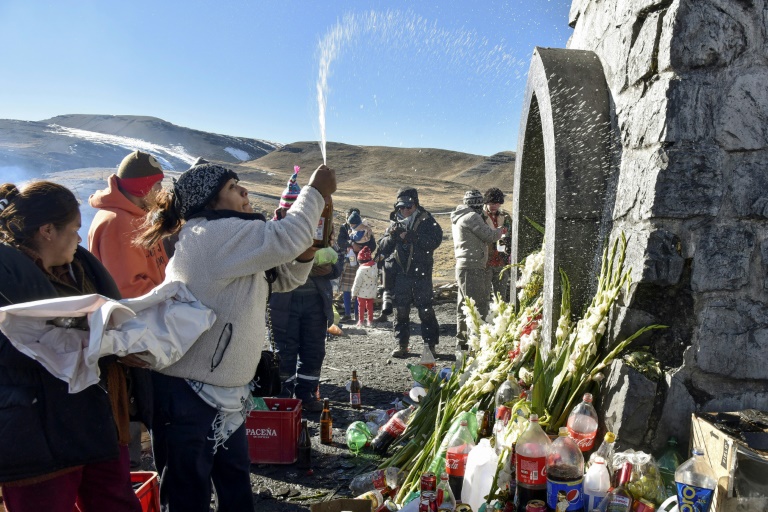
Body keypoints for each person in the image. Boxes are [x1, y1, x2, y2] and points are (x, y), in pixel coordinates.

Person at [136, 161, 335, 512]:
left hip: (220, 394)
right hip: (188, 396)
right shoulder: (212, 235)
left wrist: (304, 253)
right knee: (188, 496)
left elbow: (282, 280)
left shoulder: (228, 235)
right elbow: (287, 236)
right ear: (211, 201)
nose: (244, 192)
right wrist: (315, 190)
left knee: (233, 485)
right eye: (233, 187)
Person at [0, 181, 143, 512]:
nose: (80, 239)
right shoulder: (7, 276)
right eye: (75, 229)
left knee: (115, 500)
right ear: (48, 230)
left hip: (99, 417)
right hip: (36, 428)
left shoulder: (83, 269)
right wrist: (76, 341)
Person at [88, 149, 167, 468]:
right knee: (139, 413)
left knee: (144, 415)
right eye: (158, 186)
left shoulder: (137, 217)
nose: (162, 193)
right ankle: (136, 480)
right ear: (144, 189)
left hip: (144, 330)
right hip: (136, 336)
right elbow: (129, 292)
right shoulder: (120, 223)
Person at [269, 185, 344, 413]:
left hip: (314, 302)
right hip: (283, 304)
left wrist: (329, 270)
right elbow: (268, 266)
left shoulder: (320, 229)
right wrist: (303, 267)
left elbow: (337, 265)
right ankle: (283, 395)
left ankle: (307, 394)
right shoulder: (272, 231)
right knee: (284, 351)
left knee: (314, 349)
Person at [378, 187, 443, 358]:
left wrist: (413, 237)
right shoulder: (393, 223)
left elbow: (435, 241)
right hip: (400, 274)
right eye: (401, 207)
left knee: (426, 310)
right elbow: (382, 247)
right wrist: (392, 236)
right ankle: (402, 345)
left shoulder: (427, 220)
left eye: (408, 206)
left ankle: (430, 346)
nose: (405, 210)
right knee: (401, 310)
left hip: (422, 273)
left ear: (416, 204)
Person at [451, 189, 503, 349]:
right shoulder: (472, 217)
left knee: (464, 304)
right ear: (479, 204)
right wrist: (502, 230)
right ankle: (477, 342)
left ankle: (463, 340)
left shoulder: (460, 216)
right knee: (478, 304)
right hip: (473, 265)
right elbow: (489, 236)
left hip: (464, 265)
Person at [337, 209, 375, 323]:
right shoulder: (344, 228)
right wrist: (351, 244)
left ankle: (358, 314)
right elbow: (340, 241)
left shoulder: (365, 229)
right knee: (347, 288)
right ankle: (348, 313)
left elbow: (372, 245)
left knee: (360, 288)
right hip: (349, 261)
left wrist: (363, 250)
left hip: (363, 263)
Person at [483, 187, 512, 302]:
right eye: (492, 203)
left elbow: (511, 234)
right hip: (485, 261)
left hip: (501, 260)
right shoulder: (480, 217)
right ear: (486, 202)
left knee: (501, 296)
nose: (495, 206)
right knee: (483, 295)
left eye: (497, 203)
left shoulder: (505, 217)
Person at [351, 246, 378, 327]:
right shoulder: (375, 267)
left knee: (361, 307)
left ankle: (361, 321)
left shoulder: (361, 270)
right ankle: (370, 321)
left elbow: (357, 283)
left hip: (361, 293)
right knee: (370, 307)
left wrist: (353, 293)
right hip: (371, 291)